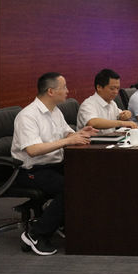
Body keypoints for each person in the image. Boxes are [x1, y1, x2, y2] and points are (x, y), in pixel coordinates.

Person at [12, 72, 97, 255]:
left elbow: (66, 133)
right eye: (64, 87)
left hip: (53, 164)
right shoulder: (27, 116)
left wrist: (80, 133)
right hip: (31, 170)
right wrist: (67, 141)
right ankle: (36, 233)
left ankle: (65, 222)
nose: (67, 91)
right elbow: (33, 150)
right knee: (70, 188)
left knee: (90, 177)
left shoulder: (55, 111)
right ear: (51, 91)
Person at [76, 69, 138, 134]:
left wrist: (127, 114)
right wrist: (121, 123)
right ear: (99, 87)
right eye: (112, 88)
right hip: (92, 140)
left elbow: (121, 115)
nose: (116, 92)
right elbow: (92, 122)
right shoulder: (88, 104)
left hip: (111, 138)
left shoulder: (112, 103)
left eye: (117, 88)